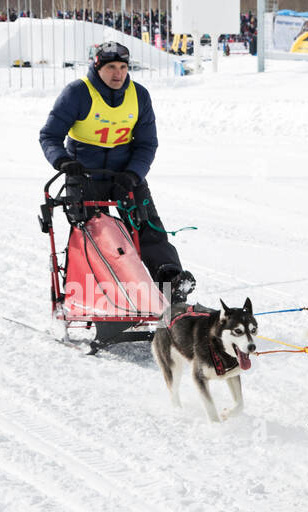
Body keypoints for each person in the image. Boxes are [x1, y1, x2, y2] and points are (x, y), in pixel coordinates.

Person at [39, 41, 195, 313]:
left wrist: (134, 174)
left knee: (147, 226)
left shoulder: (139, 96)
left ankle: (171, 283)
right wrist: (64, 162)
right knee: (97, 234)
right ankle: (98, 293)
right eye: (111, 67)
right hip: (84, 175)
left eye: (123, 67)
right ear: (97, 67)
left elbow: (147, 143)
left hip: (125, 176)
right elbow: (49, 136)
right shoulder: (77, 93)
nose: (118, 73)